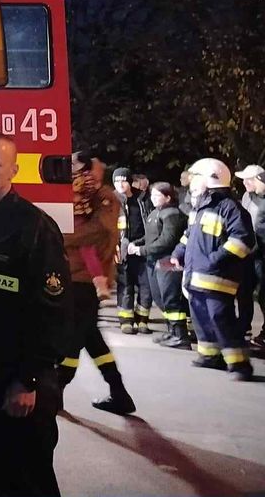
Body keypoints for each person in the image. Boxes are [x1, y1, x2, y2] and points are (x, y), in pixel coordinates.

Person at [0, 132, 71, 497]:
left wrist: (28, 380)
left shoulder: (34, 227)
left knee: (30, 479)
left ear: (14, 170)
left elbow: (51, 309)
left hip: (21, 378)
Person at [59, 153, 135, 415]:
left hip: (85, 279)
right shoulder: (85, 193)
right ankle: (119, 393)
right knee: (89, 336)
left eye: (74, 164)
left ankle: (56, 391)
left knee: (73, 338)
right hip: (76, 276)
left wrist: (61, 235)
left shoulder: (102, 196)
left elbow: (99, 230)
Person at [172, 158, 256, 380]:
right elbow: (189, 236)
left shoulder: (230, 208)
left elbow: (243, 240)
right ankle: (210, 356)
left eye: (196, 177)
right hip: (196, 276)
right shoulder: (199, 207)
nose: (191, 183)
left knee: (221, 319)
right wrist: (178, 252)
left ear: (211, 178)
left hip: (218, 277)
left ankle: (239, 364)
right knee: (200, 318)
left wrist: (214, 260)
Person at [134, 181, 190, 348]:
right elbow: (150, 236)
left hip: (167, 261)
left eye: (157, 195)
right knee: (160, 298)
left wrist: (141, 250)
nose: (153, 198)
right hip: (153, 261)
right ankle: (171, 332)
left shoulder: (171, 214)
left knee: (170, 298)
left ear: (168, 197)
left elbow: (167, 240)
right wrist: (135, 244)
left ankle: (181, 336)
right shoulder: (155, 213)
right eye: (152, 195)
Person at [114, 166, 153, 334]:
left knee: (146, 285)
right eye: (116, 181)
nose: (120, 184)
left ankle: (142, 319)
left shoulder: (143, 199)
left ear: (129, 182)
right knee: (125, 285)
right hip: (121, 248)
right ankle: (126, 320)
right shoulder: (111, 201)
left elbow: (151, 223)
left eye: (123, 180)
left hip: (142, 247)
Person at [235, 165, 265, 348]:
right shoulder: (247, 197)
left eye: (249, 179)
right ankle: (244, 327)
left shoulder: (264, 201)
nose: (245, 182)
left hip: (260, 254)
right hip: (249, 252)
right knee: (244, 291)